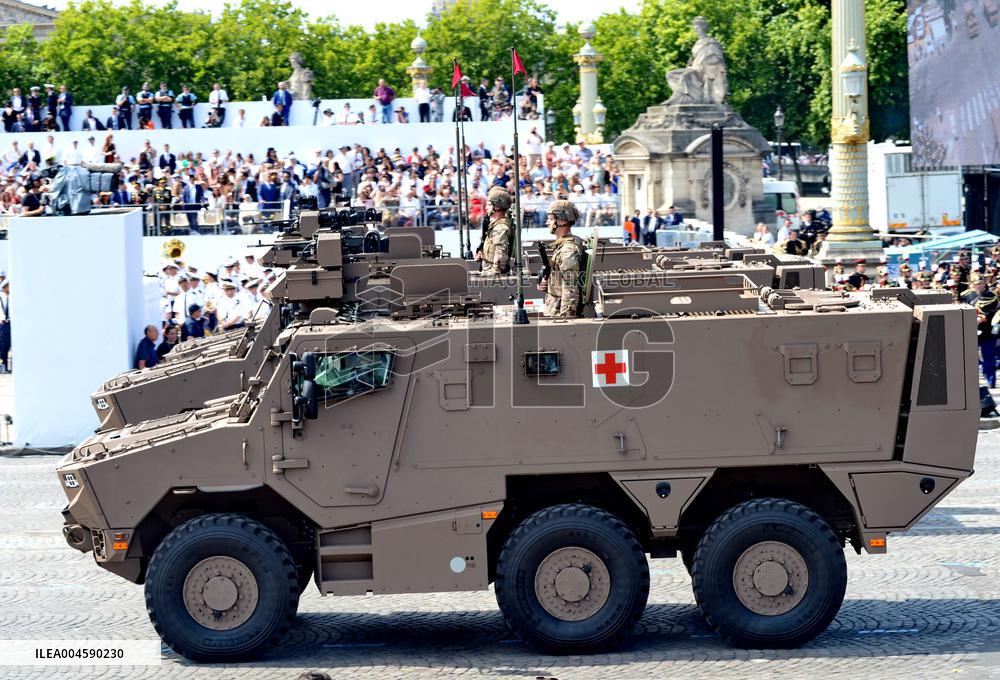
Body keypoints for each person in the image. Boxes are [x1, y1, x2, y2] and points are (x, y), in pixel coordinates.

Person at [539, 200, 586, 317]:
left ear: (562, 220)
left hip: (558, 313)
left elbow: (570, 288)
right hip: (554, 306)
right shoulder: (564, 244)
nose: (547, 222)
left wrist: (567, 318)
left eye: (550, 219)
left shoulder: (568, 250)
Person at [966, 275, 998, 387]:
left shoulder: (991, 295)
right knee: (970, 357)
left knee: (988, 356)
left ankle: (991, 380)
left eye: (980, 283)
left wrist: (982, 319)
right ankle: (973, 383)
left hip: (987, 331)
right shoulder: (970, 295)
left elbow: (991, 312)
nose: (978, 286)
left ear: (984, 284)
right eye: (976, 284)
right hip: (971, 330)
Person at [476, 187, 514, 275]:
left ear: (497, 207)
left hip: (492, 275)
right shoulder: (496, 226)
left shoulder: (500, 228)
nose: (486, 208)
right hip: (488, 269)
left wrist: (495, 271)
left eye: (489, 205)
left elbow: (501, 254)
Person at [0, 279, 10, 373]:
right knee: (3, 345)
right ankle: (4, 366)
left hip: (11, 324)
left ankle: (7, 366)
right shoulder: (1, 297)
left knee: (9, 345)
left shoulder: (12, 297)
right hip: (3, 324)